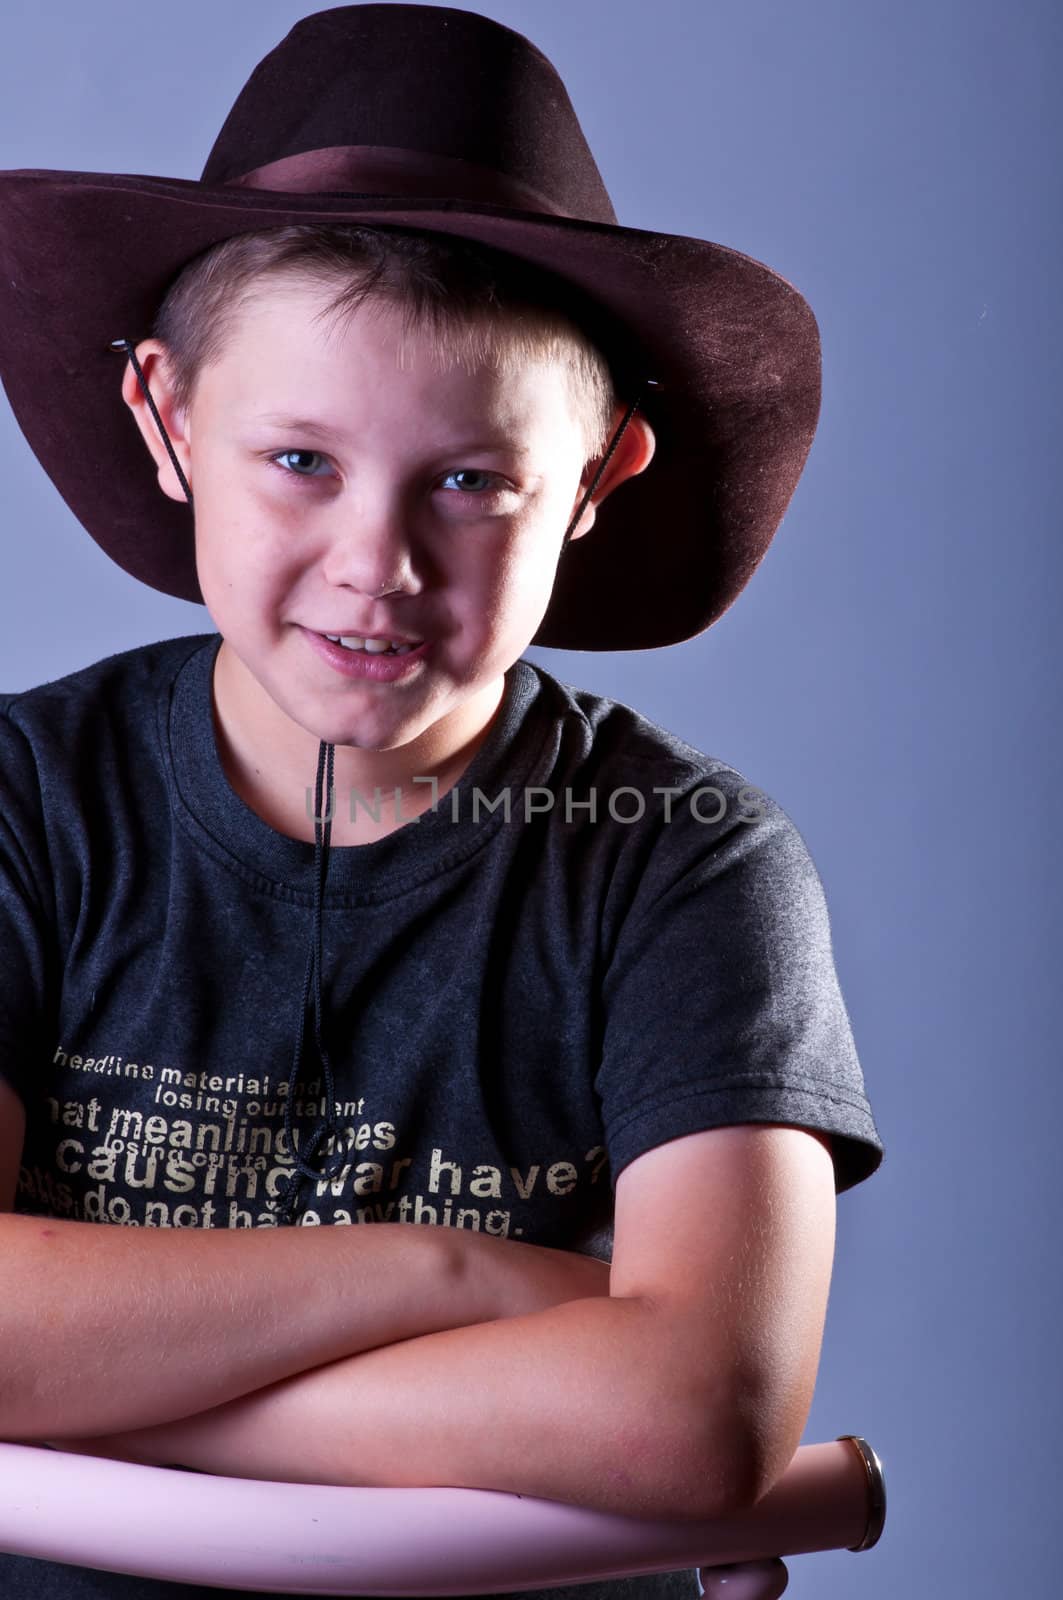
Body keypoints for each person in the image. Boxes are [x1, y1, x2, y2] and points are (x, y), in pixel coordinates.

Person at [0, 6, 884, 1599]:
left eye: (471, 482)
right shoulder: (22, 804)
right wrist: (457, 1278)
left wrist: (91, 1407)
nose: (376, 566)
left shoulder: (687, 866)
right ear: (167, 421)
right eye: (298, 461)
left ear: (599, 481)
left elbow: (699, 1415)